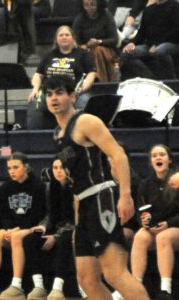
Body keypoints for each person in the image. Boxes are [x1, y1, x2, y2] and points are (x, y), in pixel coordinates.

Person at [43, 75, 149, 300]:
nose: (54, 98)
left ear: (72, 96)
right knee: (87, 279)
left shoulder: (86, 121)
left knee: (115, 274)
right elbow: (75, 182)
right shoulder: (58, 133)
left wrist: (126, 195)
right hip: (83, 204)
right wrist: (78, 220)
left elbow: (118, 154)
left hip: (102, 199)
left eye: (59, 92)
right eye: (49, 94)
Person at [0, 152, 47, 300]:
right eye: (9, 168)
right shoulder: (6, 187)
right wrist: (9, 228)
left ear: (26, 167)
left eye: (15, 167)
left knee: (16, 237)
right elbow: (3, 213)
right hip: (14, 229)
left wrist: (20, 229)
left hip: (32, 228)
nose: (11, 171)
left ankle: (16, 285)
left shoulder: (38, 185)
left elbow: (39, 213)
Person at [131, 144, 179, 300]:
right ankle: (134, 287)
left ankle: (165, 290)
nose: (158, 157)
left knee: (163, 237)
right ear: (150, 162)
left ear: (170, 160)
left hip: (174, 226)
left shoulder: (176, 179)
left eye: (162, 154)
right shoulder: (145, 183)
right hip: (157, 227)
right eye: (154, 155)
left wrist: (169, 224)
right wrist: (144, 222)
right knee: (140, 237)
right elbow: (140, 209)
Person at [27, 25, 97, 129]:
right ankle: (35, 138)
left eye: (67, 35)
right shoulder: (49, 55)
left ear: (72, 38)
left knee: (85, 102)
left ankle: (80, 135)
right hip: (50, 93)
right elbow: (38, 74)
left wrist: (83, 88)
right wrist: (35, 88)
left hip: (74, 92)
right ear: (56, 39)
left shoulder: (82, 54)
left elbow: (92, 73)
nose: (64, 37)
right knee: (34, 102)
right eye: (61, 35)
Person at [29, 158, 76, 300]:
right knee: (30, 239)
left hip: (74, 227)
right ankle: (39, 286)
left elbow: (75, 219)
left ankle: (57, 287)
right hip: (57, 226)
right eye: (55, 168)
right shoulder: (50, 188)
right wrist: (43, 226)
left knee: (63, 240)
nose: (58, 171)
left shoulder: (75, 186)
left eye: (61, 167)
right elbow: (50, 214)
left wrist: (55, 236)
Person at [121, 0, 179, 80]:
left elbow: (176, 31)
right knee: (126, 54)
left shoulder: (175, 6)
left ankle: (172, 82)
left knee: (161, 50)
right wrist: (132, 44)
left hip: (172, 44)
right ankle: (151, 79)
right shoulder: (149, 9)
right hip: (150, 45)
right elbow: (142, 32)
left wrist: (157, 44)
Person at [72, 0, 119, 82]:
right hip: (87, 49)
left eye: (92, 4)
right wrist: (87, 45)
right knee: (90, 52)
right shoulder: (79, 19)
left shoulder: (106, 16)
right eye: (86, 5)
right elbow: (75, 41)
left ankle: (102, 81)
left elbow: (114, 39)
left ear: (98, 4)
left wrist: (99, 42)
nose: (89, 8)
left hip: (107, 49)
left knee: (98, 50)